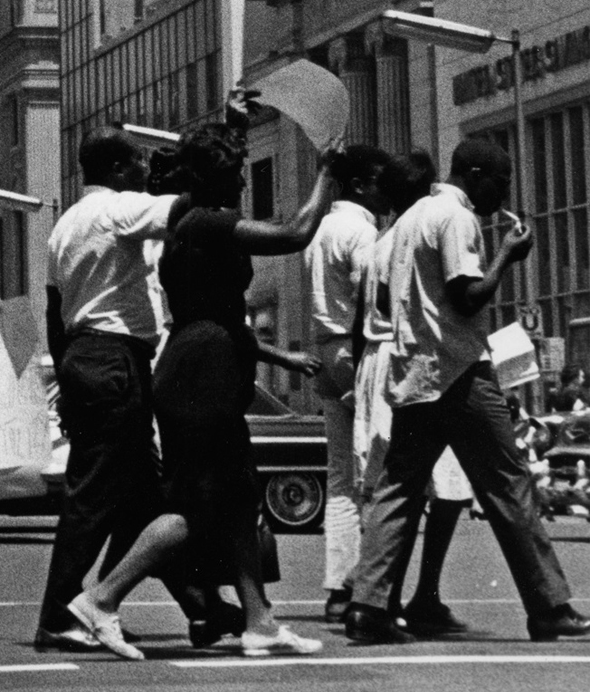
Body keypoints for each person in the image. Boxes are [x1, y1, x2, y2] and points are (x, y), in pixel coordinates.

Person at [65, 117, 334, 660]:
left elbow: (217, 317)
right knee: (196, 505)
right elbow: (295, 233)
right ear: (215, 179)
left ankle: (259, 621)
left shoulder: (188, 230)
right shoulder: (208, 223)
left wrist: (276, 354)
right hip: (202, 378)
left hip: (200, 368)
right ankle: (101, 598)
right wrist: (327, 172)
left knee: (235, 501)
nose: (240, 182)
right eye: (235, 172)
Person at [343, 138, 590, 644]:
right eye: (499, 183)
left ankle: (367, 605)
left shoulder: (409, 220)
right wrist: (505, 257)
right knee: (508, 483)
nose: (502, 194)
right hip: (459, 371)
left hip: (414, 373)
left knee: (398, 488)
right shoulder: (456, 218)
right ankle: (549, 605)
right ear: (474, 174)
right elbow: (467, 295)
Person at [304, 146, 398, 624]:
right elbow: (371, 301)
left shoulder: (320, 228)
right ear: (361, 184)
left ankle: (337, 587)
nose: (389, 191)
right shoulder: (362, 231)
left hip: (325, 348)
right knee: (374, 472)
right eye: (382, 181)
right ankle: (367, 586)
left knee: (340, 477)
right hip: (356, 350)